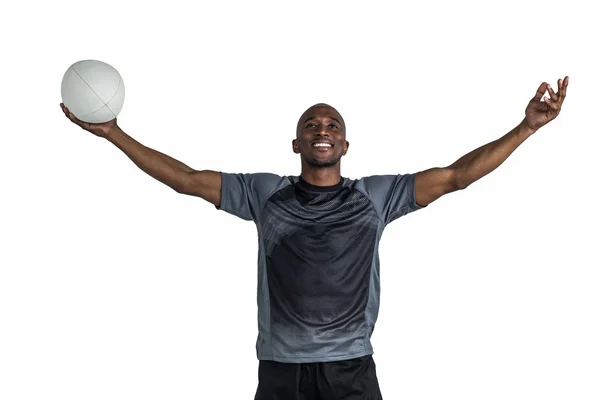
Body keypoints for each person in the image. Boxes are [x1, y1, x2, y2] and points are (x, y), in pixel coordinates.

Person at [60, 76, 569, 399]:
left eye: (331, 124)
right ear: (297, 142)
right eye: (310, 123)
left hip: (350, 368)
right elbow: (188, 180)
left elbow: (456, 175)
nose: (320, 129)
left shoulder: (375, 197)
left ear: (344, 143)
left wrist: (525, 128)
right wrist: (115, 134)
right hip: (281, 368)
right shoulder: (264, 194)